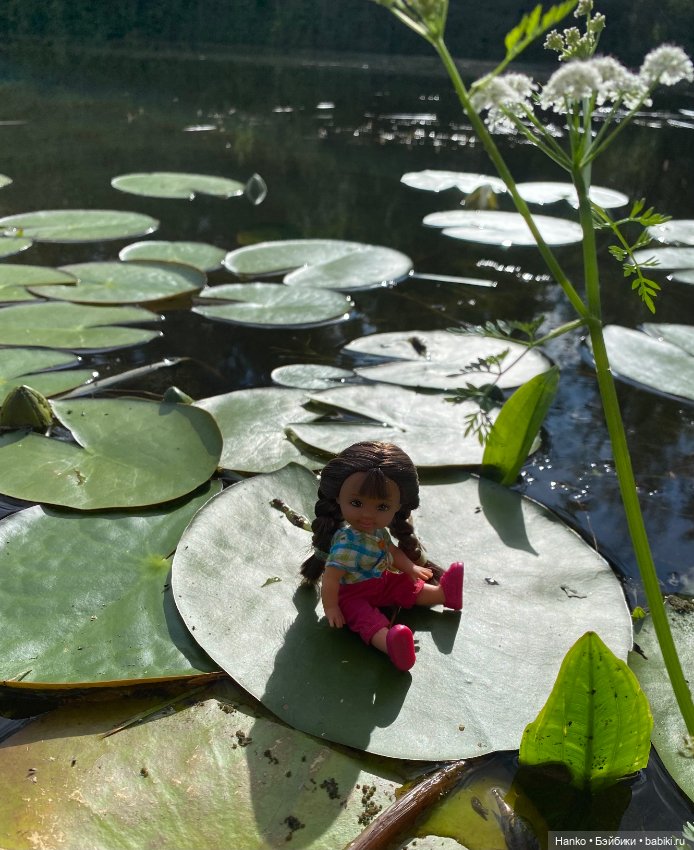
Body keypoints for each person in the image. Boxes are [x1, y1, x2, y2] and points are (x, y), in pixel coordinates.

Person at [300, 441, 463, 671]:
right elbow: (331, 578)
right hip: (352, 595)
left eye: (382, 507)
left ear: (398, 507)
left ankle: (443, 595)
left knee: (405, 585)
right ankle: (390, 644)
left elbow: (392, 551)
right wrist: (332, 608)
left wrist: (411, 568)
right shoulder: (345, 545)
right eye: (356, 503)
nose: (367, 514)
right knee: (365, 618)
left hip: (380, 581)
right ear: (338, 497)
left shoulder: (379, 533)